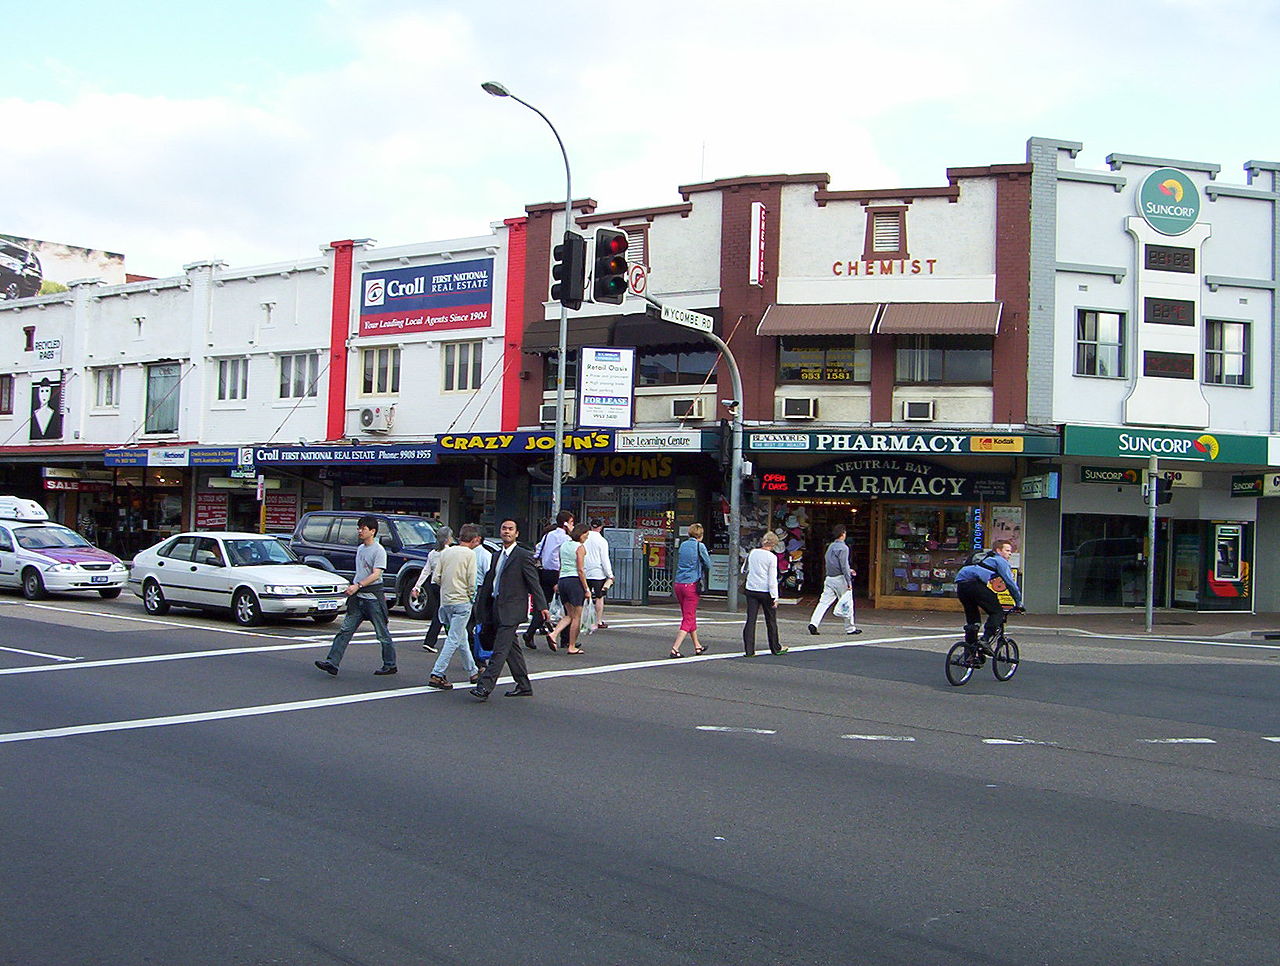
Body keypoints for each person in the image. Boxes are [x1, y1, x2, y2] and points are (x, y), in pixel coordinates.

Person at [470, 518, 551, 701]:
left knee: (500, 650)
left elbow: (533, 583)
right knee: (511, 649)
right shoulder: (496, 555)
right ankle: (523, 685)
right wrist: (482, 609)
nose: (507, 531)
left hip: (513, 610)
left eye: (510, 529)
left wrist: (542, 606)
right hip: (496, 608)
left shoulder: (523, 555)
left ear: (517, 534)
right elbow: (490, 582)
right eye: (504, 528)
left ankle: (485, 686)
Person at [315, 515, 397, 676]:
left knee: (382, 632)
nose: (359, 531)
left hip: (372, 595)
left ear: (372, 531)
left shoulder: (379, 550)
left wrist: (358, 585)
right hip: (358, 596)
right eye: (359, 528)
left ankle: (390, 663)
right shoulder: (360, 548)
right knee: (345, 629)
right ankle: (332, 662)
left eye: (363, 529)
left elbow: (376, 574)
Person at [426, 524, 482, 690]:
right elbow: (472, 580)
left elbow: (436, 578)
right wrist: (472, 597)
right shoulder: (470, 555)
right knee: (454, 639)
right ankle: (437, 672)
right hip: (462, 601)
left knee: (460, 636)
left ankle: (473, 671)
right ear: (474, 540)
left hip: (446, 601)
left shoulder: (445, 552)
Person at [955, 538, 1024, 652]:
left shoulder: (986, 558)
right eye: (1007, 550)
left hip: (962, 586)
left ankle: (971, 653)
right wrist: (1018, 602)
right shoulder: (1000, 561)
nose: (1010, 553)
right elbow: (1010, 583)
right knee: (997, 612)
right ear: (998, 550)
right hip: (975, 585)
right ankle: (985, 640)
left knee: (973, 619)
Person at [525, 510, 573, 649]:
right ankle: (565, 638)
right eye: (571, 522)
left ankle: (530, 632)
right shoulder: (566, 539)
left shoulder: (548, 535)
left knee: (543, 605)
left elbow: (538, 549)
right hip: (558, 573)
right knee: (568, 607)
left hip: (544, 572)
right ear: (566, 523)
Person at [807, 524, 861, 637]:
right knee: (847, 603)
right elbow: (844, 565)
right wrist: (849, 580)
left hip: (829, 577)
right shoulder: (844, 548)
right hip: (840, 578)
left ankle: (814, 623)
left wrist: (848, 570)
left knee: (823, 602)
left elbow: (832, 563)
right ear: (843, 534)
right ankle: (850, 628)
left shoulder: (830, 546)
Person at [669, 523, 712, 658]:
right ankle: (675, 648)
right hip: (691, 584)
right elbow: (708, 564)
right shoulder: (700, 546)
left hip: (679, 583)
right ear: (701, 535)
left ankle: (697, 646)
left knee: (689, 615)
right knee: (688, 618)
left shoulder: (683, 545)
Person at [546, 523, 591, 655]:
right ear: (581, 534)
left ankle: (554, 634)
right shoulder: (580, 548)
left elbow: (561, 565)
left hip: (563, 581)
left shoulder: (564, 545)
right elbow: (580, 570)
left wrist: (558, 583)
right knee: (577, 616)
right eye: (586, 535)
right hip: (575, 582)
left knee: (569, 614)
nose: (586, 538)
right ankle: (572, 646)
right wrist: (586, 588)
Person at [742, 531, 786, 657]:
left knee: (751, 619)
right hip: (765, 591)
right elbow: (772, 579)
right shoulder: (772, 557)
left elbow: (744, 569)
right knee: (771, 620)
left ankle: (749, 650)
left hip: (751, 589)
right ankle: (775, 647)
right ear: (774, 545)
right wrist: (775, 597)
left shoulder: (753, 553)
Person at [412, 526, 453, 653]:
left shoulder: (433, 553)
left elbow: (426, 571)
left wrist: (417, 586)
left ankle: (449, 639)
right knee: (444, 614)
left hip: (434, 585)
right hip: (445, 585)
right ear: (447, 539)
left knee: (442, 612)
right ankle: (432, 640)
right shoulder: (450, 552)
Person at [582, 518, 614, 631]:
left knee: (585, 596)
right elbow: (605, 559)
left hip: (584, 571)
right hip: (597, 573)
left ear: (591, 526)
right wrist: (610, 574)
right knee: (599, 597)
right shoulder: (602, 541)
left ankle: (583, 619)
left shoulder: (583, 538)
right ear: (600, 528)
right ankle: (598, 621)